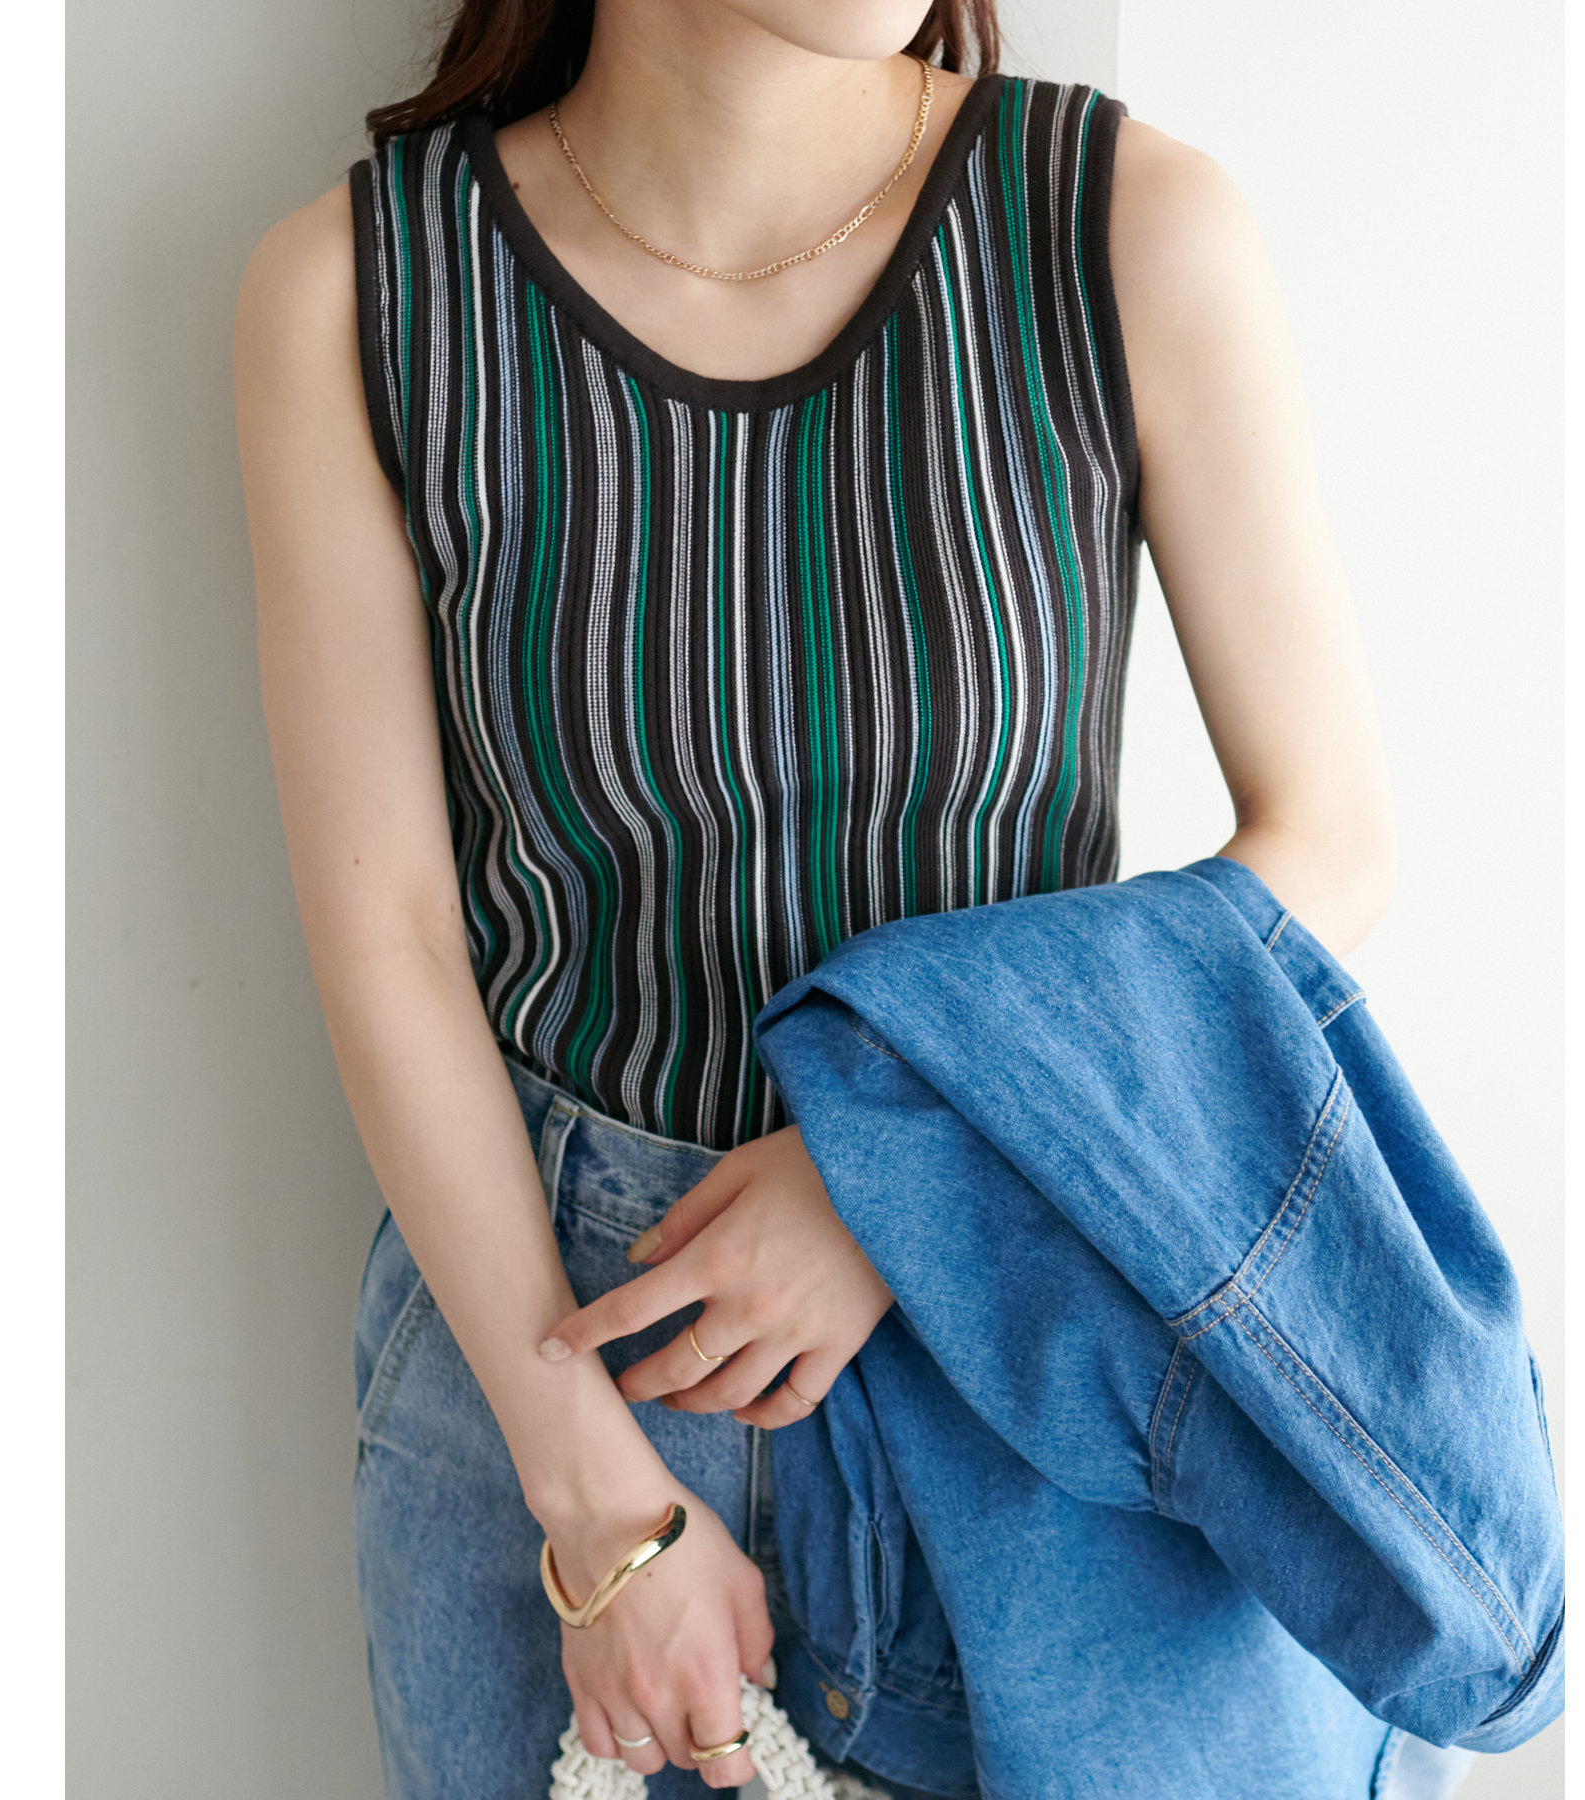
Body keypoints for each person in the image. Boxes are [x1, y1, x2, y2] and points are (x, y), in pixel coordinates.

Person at [234, 2, 1395, 1795]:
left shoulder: (1119, 223)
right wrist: (602, 1518)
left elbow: (1327, 841)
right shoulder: (357, 294)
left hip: (1037, 1314)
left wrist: (899, 1169)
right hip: (555, 1362)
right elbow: (388, 942)